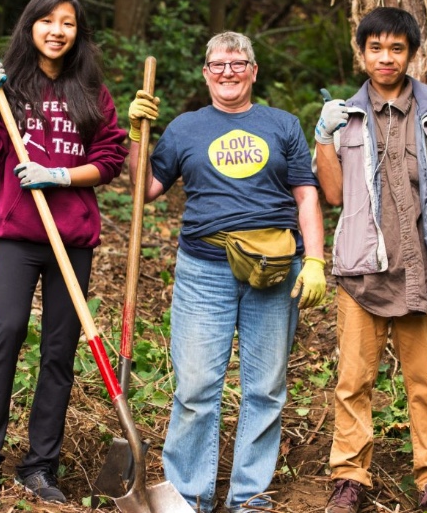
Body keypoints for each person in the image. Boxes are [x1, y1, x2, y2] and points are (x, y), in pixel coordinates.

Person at [127, 31, 326, 513]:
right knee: (195, 388)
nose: (228, 72)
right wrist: (136, 137)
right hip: (203, 270)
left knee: (265, 388)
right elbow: (143, 190)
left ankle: (249, 498)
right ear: (205, 73)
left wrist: (318, 259)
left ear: (254, 71)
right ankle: (188, 497)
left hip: (275, 268)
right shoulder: (183, 128)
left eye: (238, 64)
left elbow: (306, 195)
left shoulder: (282, 125)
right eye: (218, 64)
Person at [312, 7, 427, 513]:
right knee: (353, 382)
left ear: (411, 53)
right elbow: (334, 193)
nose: (386, 58)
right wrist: (322, 137)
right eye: (376, 48)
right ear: (361, 53)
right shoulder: (343, 115)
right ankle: (350, 478)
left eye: (397, 49)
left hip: (423, 267)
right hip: (363, 270)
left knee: (425, 383)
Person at [0, 0, 128, 501]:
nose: (57, 30)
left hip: (71, 238)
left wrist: (59, 174)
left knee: (59, 350)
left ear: (78, 33)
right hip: (18, 236)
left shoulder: (91, 90)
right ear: (30, 26)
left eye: (68, 23)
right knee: (6, 331)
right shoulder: (10, 84)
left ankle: (40, 467)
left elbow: (110, 158)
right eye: (47, 21)